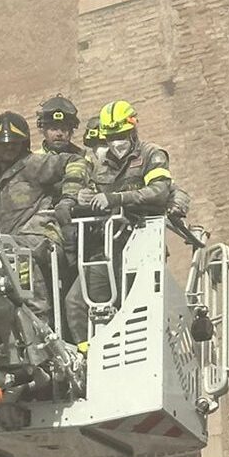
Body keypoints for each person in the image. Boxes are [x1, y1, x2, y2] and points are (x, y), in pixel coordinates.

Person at [58, 100, 175, 343]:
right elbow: (90, 190)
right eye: (111, 136)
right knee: (76, 303)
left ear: (133, 130)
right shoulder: (100, 166)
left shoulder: (152, 154)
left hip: (141, 244)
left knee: (134, 307)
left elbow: (159, 192)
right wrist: (83, 196)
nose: (116, 142)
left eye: (121, 135)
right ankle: (85, 360)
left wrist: (116, 198)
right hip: (106, 249)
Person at [0, 110, 65, 323]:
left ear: (24, 144)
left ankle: (41, 322)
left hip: (42, 237)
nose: (9, 147)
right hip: (7, 244)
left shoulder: (35, 164)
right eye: (4, 143)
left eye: (14, 143)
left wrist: (68, 198)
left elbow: (75, 163)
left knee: (15, 251)